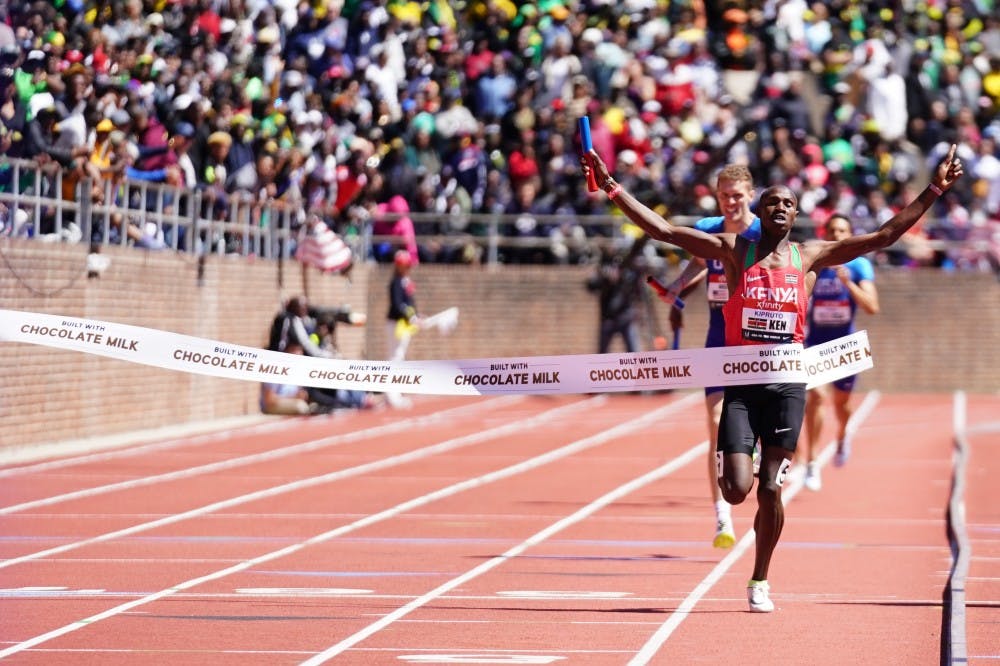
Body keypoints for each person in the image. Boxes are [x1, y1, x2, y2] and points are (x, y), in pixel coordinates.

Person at [582, 144, 963, 612]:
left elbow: (884, 235)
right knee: (736, 489)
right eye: (772, 203)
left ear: (796, 214)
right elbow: (663, 230)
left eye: (788, 203)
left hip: (786, 389)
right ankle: (742, 463)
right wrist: (611, 185)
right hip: (742, 385)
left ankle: (760, 578)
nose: (780, 207)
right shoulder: (733, 250)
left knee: (770, 489)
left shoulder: (810, 256)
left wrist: (935, 189)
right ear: (761, 214)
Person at [660, 164, 761, 549]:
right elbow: (702, 262)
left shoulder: (763, 232)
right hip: (718, 333)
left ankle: (752, 450)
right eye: (725, 196)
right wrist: (677, 287)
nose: (731, 202)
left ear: (750, 194)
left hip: (755, 336)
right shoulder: (707, 229)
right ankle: (722, 516)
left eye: (737, 195)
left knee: (757, 419)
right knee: (715, 422)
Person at [800, 214, 880, 490]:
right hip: (816, 343)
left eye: (842, 230)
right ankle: (811, 462)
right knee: (816, 398)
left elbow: (872, 307)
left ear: (850, 234)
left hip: (845, 345)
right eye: (832, 230)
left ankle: (843, 436)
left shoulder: (859, 265)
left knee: (842, 405)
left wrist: (848, 284)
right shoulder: (815, 263)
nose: (836, 235)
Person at [586, 234, 650, 354]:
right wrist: (605, 279)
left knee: (634, 352)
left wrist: (640, 312)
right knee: (602, 355)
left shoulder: (628, 268)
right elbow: (590, 285)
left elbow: (637, 290)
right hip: (607, 318)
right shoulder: (602, 268)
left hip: (626, 316)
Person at [385, 249, 420, 408]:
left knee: (399, 357)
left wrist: (416, 315)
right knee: (395, 357)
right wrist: (410, 316)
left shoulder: (405, 281)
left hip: (404, 325)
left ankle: (395, 393)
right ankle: (392, 395)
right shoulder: (396, 282)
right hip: (396, 324)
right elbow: (398, 305)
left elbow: (410, 303)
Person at [259, 341, 311, 415]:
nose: (297, 354)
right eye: (293, 350)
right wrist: (293, 397)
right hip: (272, 406)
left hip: (292, 402)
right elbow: (269, 400)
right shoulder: (276, 370)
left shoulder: (297, 371)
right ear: (286, 352)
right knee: (300, 406)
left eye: (299, 350)